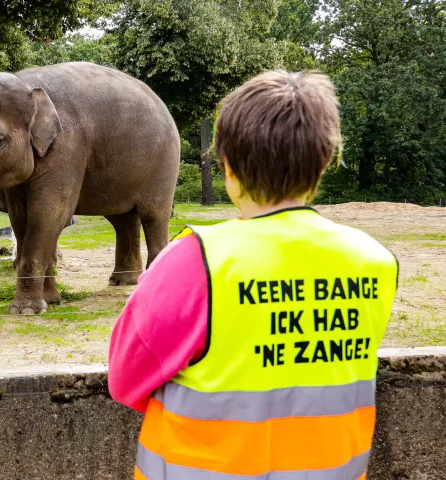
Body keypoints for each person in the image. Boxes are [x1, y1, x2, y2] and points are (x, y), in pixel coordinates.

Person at [108, 70, 399, 480]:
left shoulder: (194, 259)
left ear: (226, 166)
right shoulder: (375, 261)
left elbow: (125, 379)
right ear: (327, 160)